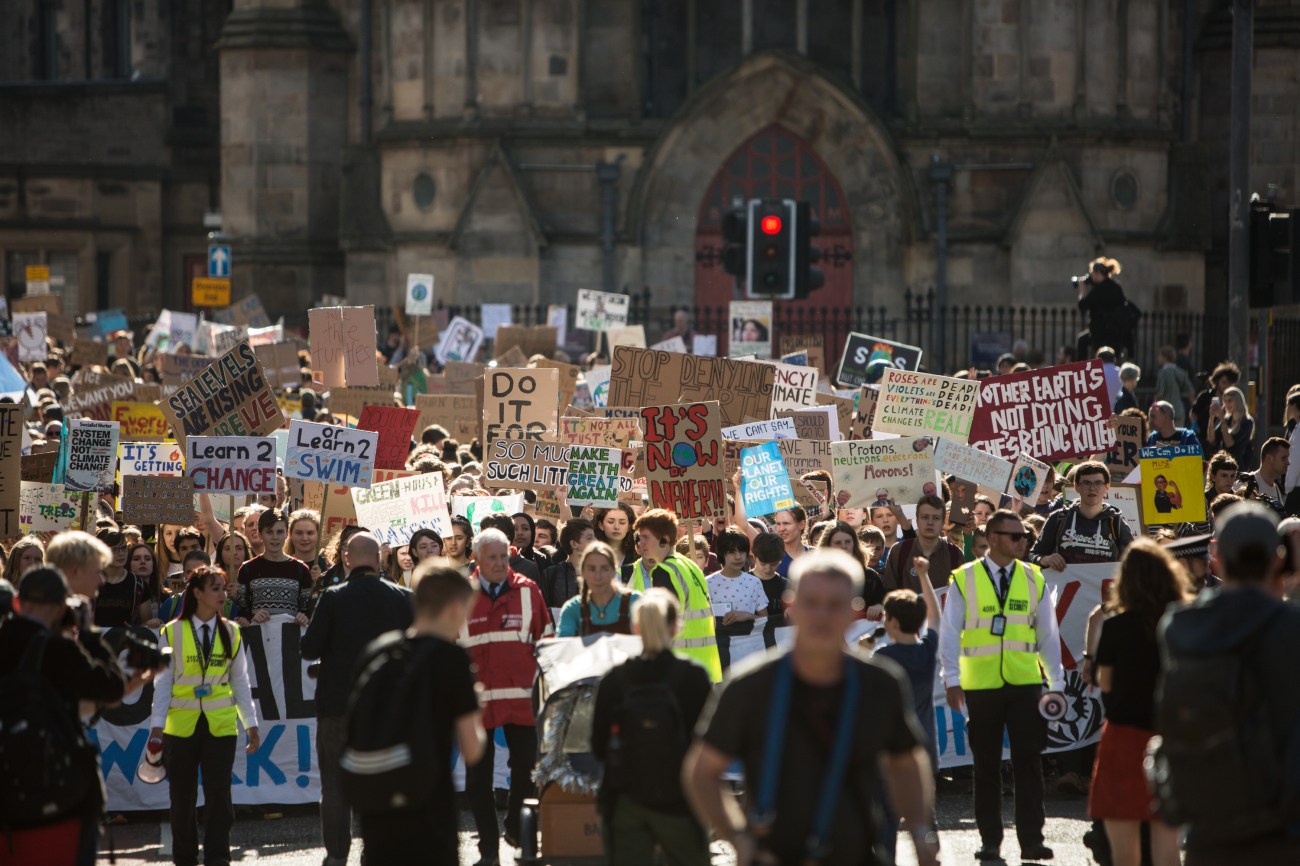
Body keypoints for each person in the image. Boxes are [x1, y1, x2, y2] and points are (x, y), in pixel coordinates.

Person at [683, 550, 940, 866]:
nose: (821, 615)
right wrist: (737, 837)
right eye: (811, 603)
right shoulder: (749, 686)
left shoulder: (880, 684)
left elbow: (907, 764)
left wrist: (920, 834)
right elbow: (702, 772)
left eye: (834, 605)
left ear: (853, 611)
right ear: (791, 606)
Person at [1156, 503, 1300, 864]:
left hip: (1207, 823)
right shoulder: (1291, 628)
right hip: (1283, 828)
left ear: (1216, 556)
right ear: (1278, 559)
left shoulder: (1178, 627)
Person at [938, 509, 1064, 862]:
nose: (1024, 542)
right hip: (981, 685)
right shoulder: (965, 578)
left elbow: (1048, 635)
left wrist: (1055, 682)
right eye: (1016, 537)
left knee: (1028, 763)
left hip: (1025, 682)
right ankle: (990, 841)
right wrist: (951, 679)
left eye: (1025, 536)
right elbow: (950, 634)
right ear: (993, 539)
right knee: (987, 766)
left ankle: (1032, 841)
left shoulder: (1034, 577)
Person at [351, 564, 486, 864]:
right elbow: (472, 749)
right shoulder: (451, 659)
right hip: (428, 804)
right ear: (454, 608)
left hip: (375, 801)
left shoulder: (377, 650)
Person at [0, 566, 136, 866]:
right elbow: (111, 688)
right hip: (60, 795)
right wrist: (87, 635)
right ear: (62, 608)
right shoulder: (58, 649)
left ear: (19, 603)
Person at [301, 531, 414, 866]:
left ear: (346, 558)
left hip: (338, 705)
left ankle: (337, 856)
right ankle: (382, 853)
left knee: (335, 786)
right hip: (388, 708)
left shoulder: (333, 598)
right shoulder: (404, 597)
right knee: (386, 783)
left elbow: (308, 650)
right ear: (379, 559)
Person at [591, 588, 714, 866]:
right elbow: (709, 746)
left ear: (636, 627)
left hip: (625, 800)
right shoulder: (693, 677)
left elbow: (599, 746)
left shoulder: (615, 680)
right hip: (682, 802)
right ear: (676, 626)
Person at [149, 566, 261, 866]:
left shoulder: (232, 631)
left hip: (221, 726)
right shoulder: (172, 631)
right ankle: (185, 858)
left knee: (219, 797)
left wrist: (251, 723)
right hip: (180, 728)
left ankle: (218, 857)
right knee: (182, 798)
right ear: (197, 593)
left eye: (223, 589)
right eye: (215, 589)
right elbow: (163, 683)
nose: (223, 595)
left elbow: (240, 681)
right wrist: (156, 727)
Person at [1088, 540, 1188, 866]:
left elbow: (1105, 682)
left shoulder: (1116, 626)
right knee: (1168, 848)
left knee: (1124, 853)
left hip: (1123, 738)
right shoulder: (1182, 623)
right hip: (1170, 737)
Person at [463, 528, 553, 866]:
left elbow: (547, 641)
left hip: (521, 699)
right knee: (478, 779)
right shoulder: (461, 595)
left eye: (504, 556)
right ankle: (488, 850)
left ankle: (515, 825)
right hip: (475, 705)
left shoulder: (528, 591)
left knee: (526, 769)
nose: (501, 563)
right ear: (476, 559)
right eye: (492, 557)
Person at [628, 509, 722, 683]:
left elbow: (660, 629)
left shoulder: (664, 572)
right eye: (639, 538)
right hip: (705, 668)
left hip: (679, 673)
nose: (641, 544)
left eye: (646, 537)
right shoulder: (690, 565)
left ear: (664, 539)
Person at [875, 556, 943, 776]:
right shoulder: (928, 649)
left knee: (888, 809)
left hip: (892, 748)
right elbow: (935, 617)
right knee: (923, 809)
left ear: (892, 622)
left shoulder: (882, 657)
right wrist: (923, 575)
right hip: (925, 747)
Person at [1031, 461, 1135, 569]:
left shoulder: (1116, 524)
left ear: (1107, 487)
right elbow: (1032, 556)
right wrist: (1045, 560)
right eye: (1086, 483)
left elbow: (1136, 564)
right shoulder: (1058, 519)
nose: (1092, 488)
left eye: (1098, 483)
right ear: (1076, 486)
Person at [235, 509, 311, 626]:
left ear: (287, 534)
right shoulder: (247, 569)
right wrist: (251, 617)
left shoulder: (301, 570)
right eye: (269, 532)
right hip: (259, 639)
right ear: (260, 534)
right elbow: (241, 610)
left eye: (280, 532)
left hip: (289, 639)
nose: (275, 537)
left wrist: (303, 617)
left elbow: (307, 610)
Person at [705, 529, 768, 669]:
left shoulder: (754, 583)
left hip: (749, 657)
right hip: (719, 657)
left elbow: (765, 621)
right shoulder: (707, 584)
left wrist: (747, 616)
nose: (738, 557)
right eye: (732, 552)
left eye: (742, 551)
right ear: (722, 553)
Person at [881, 496, 964, 592]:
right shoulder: (898, 552)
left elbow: (962, 594)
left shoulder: (955, 555)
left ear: (942, 523)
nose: (930, 522)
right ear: (917, 521)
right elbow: (888, 593)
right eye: (925, 517)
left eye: (936, 518)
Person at [556, 542, 640, 637]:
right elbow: (562, 645)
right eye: (592, 569)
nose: (598, 576)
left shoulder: (636, 602)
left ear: (614, 571)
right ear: (582, 572)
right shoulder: (573, 608)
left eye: (604, 569)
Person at [92, 527, 149, 628]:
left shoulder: (138, 584)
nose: (121, 553)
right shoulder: (90, 582)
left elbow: (147, 624)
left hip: (127, 641)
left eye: (123, 548)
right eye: (114, 549)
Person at [1076, 256, 1132, 358]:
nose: (1091, 276)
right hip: (1116, 331)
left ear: (1097, 273)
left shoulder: (1100, 289)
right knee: (1112, 357)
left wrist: (1082, 290)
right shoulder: (1115, 286)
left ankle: (1082, 369)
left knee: (1083, 342)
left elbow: (1083, 306)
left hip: (1100, 331)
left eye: (1092, 273)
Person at [540, 518, 593, 609]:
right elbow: (542, 610)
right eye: (590, 538)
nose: (596, 541)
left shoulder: (601, 574)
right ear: (574, 543)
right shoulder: (552, 574)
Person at [1189, 361, 1241, 445]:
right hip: (1202, 438)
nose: (1226, 386)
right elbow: (1193, 412)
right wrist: (1194, 425)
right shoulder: (1205, 396)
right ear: (1217, 381)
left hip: (1221, 441)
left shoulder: (1234, 400)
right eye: (1223, 382)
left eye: (1229, 384)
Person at [751, 531, 788, 646]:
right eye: (763, 564)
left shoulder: (787, 587)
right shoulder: (744, 583)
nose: (768, 569)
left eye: (774, 564)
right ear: (754, 557)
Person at [1206, 385, 1256, 470]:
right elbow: (1211, 439)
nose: (1227, 404)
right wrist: (1211, 418)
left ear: (1238, 401)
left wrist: (1222, 419)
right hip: (1224, 465)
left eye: (1230, 401)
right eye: (1225, 401)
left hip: (1238, 466)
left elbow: (1230, 444)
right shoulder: (1227, 420)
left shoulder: (1247, 422)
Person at [1239, 436, 1290, 515]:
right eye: (1283, 458)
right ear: (1269, 458)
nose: (1288, 462)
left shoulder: (1278, 488)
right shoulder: (1246, 484)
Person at [1153, 346, 1195, 423]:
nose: (1158, 358)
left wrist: (1154, 406)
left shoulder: (1162, 372)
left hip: (1165, 412)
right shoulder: (1180, 371)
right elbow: (1190, 390)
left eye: (1159, 356)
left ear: (1165, 358)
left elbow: (1160, 393)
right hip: (1179, 411)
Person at [595, 504, 638, 573]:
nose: (616, 527)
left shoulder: (638, 554)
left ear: (629, 527)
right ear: (601, 525)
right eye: (611, 522)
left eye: (622, 522)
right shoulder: (590, 552)